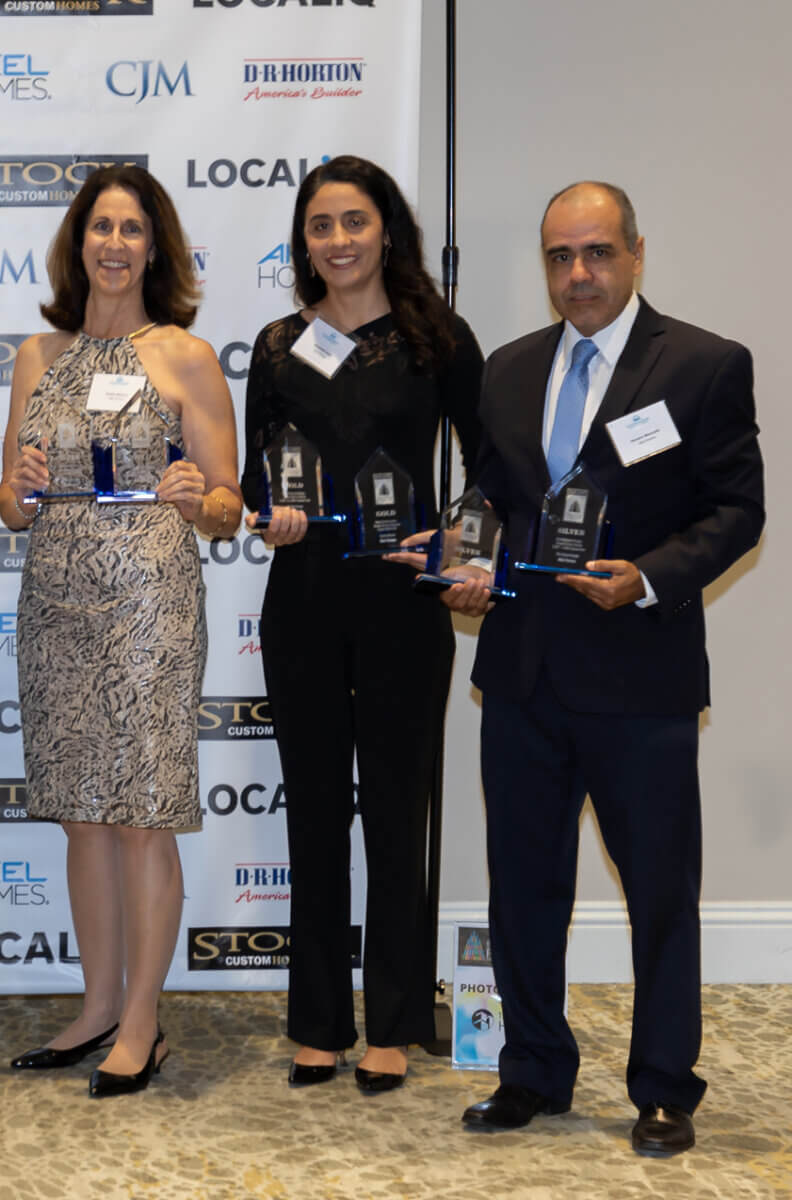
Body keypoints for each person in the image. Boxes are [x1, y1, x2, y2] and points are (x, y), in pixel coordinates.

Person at [436, 182, 763, 1155]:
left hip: (641, 683)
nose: (576, 275)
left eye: (595, 254)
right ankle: (532, 1068)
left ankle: (663, 1086)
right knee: (520, 888)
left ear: (634, 253)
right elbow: (486, 500)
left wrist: (651, 579)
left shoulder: (702, 365)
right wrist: (464, 560)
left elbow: (735, 510)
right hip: (523, 676)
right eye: (557, 258)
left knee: (657, 889)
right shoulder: (504, 371)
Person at [238, 155, 485, 1093]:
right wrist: (270, 510)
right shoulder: (274, 345)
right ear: (303, 241)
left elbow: (493, 465)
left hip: (401, 604)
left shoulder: (435, 339)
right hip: (301, 600)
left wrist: (457, 539)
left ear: (386, 229)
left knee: (394, 812)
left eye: (353, 221)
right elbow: (262, 477)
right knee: (311, 816)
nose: (337, 241)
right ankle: (317, 1023)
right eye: (319, 226)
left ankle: (391, 1020)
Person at [0, 165, 241, 1097]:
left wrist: (201, 494)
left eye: (132, 229)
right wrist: (13, 490)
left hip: (148, 604)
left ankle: (143, 1020)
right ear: (78, 243)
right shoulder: (37, 353)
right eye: (100, 227)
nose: (114, 244)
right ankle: (97, 1003)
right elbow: (12, 506)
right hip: (54, 601)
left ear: (155, 246)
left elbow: (228, 504)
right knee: (82, 814)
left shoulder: (185, 354)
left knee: (142, 818)